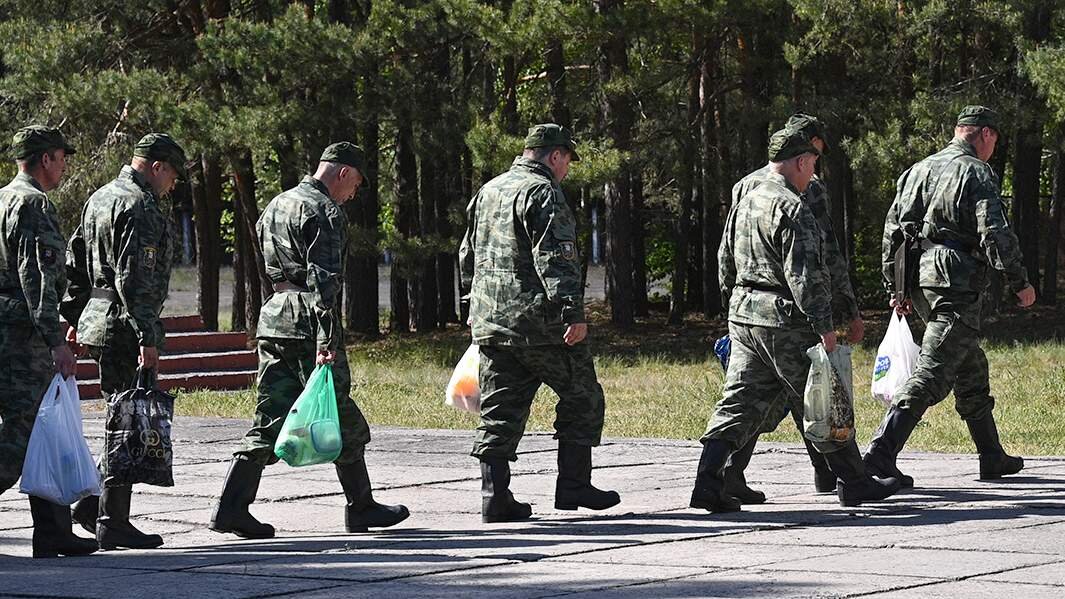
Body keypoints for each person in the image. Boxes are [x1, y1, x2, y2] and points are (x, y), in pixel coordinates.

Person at [690, 128, 900, 513]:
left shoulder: (746, 199)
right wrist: (824, 326)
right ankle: (854, 482)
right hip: (784, 321)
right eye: (813, 165)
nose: (813, 174)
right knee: (823, 398)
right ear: (801, 161)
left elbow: (724, 262)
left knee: (737, 401)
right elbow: (804, 276)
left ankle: (707, 482)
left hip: (745, 317)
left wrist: (733, 308)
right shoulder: (792, 206)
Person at [210, 142, 408, 539]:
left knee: (271, 413)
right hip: (307, 320)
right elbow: (325, 281)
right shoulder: (324, 211)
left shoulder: (277, 204)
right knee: (341, 411)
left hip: (275, 315)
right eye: (354, 185)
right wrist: (327, 338)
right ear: (342, 173)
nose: (352, 195)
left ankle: (231, 507)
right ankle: (361, 506)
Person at [459, 123, 620, 523]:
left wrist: (472, 305)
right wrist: (572, 311)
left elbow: (467, 254)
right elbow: (556, 256)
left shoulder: (489, 190)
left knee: (499, 410)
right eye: (567, 161)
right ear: (554, 156)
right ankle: (574, 485)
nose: (567, 170)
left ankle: (495, 497)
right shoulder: (543, 191)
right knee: (582, 397)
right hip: (540, 324)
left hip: (493, 323)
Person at [868, 106, 1036, 485]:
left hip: (920, 280)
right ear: (986, 134)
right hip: (954, 280)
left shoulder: (917, 170)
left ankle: (991, 456)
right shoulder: (976, 171)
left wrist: (895, 287)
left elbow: (891, 232)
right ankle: (880, 452)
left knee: (969, 363)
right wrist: (1018, 280)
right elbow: (993, 231)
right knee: (933, 369)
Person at [721, 114, 864, 502]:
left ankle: (725, 474)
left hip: (746, 309)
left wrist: (730, 310)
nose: (816, 162)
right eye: (816, 152)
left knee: (750, 397)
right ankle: (846, 477)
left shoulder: (745, 187)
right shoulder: (804, 191)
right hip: (788, 312)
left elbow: (727, 254)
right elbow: (819, 258)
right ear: (807, 149)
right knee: (817, 392)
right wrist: (843, 311)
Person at [66, 133, 185, 550]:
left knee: (121, 416)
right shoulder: (140, 206)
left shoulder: (99, 198)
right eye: (172, 174)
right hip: (125, 326)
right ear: (156, 166)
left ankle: (93, 506)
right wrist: (147, 335)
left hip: (101, 320)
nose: (172, 184)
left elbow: (75, 261)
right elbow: (135, 280)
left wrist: (74, 316)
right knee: (129, 423)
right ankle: (111, 518)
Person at [0, 125, 96, 558]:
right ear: (45, 159)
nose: (64, 166)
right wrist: (56, 340)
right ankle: (54, 530)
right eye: (61, 157)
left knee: (44, 431)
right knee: (23, 435)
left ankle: (54, 531)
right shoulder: (32, 202)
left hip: (7, 327)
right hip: (21, 336)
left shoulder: (3, 197)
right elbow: (36, 277)